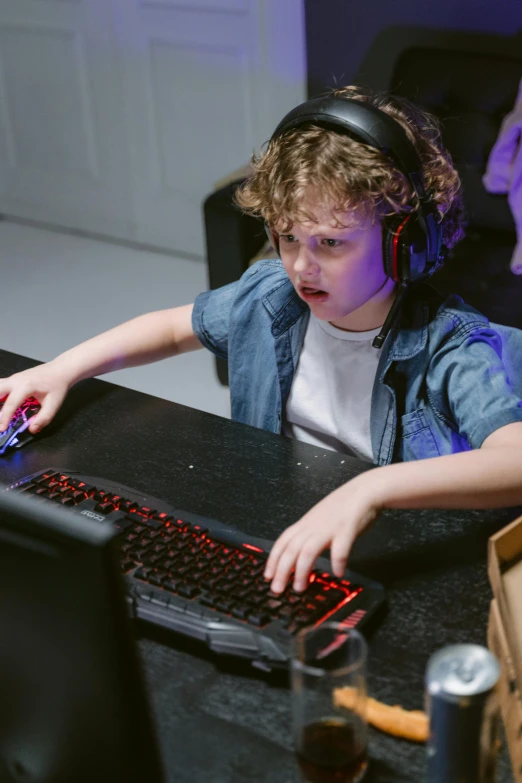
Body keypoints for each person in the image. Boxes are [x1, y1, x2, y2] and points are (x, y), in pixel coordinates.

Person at [1, 86, 522, 597]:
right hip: (270, 525)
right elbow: (172, 328)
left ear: (402, 242)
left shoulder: (451, 345)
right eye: (288, 236)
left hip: (383, 554)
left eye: (331, 243)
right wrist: (60, 370)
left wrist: (371, 489)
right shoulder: (272, 296)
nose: (300, 265)